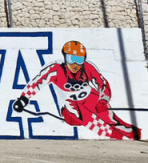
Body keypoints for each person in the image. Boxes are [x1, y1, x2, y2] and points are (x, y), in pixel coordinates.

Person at [12, 40, 140, 140]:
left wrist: (103, 100)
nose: (75, 65)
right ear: (65, 58)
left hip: (90, 97)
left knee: (112, 120)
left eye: (79, 60)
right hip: (70, 104)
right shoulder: (56, 70)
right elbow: (37, 82)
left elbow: (103, 83)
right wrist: (23, 99)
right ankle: (115, 135)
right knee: (85, 118)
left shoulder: (88, 68)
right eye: (70, 59)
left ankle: (135, 135)